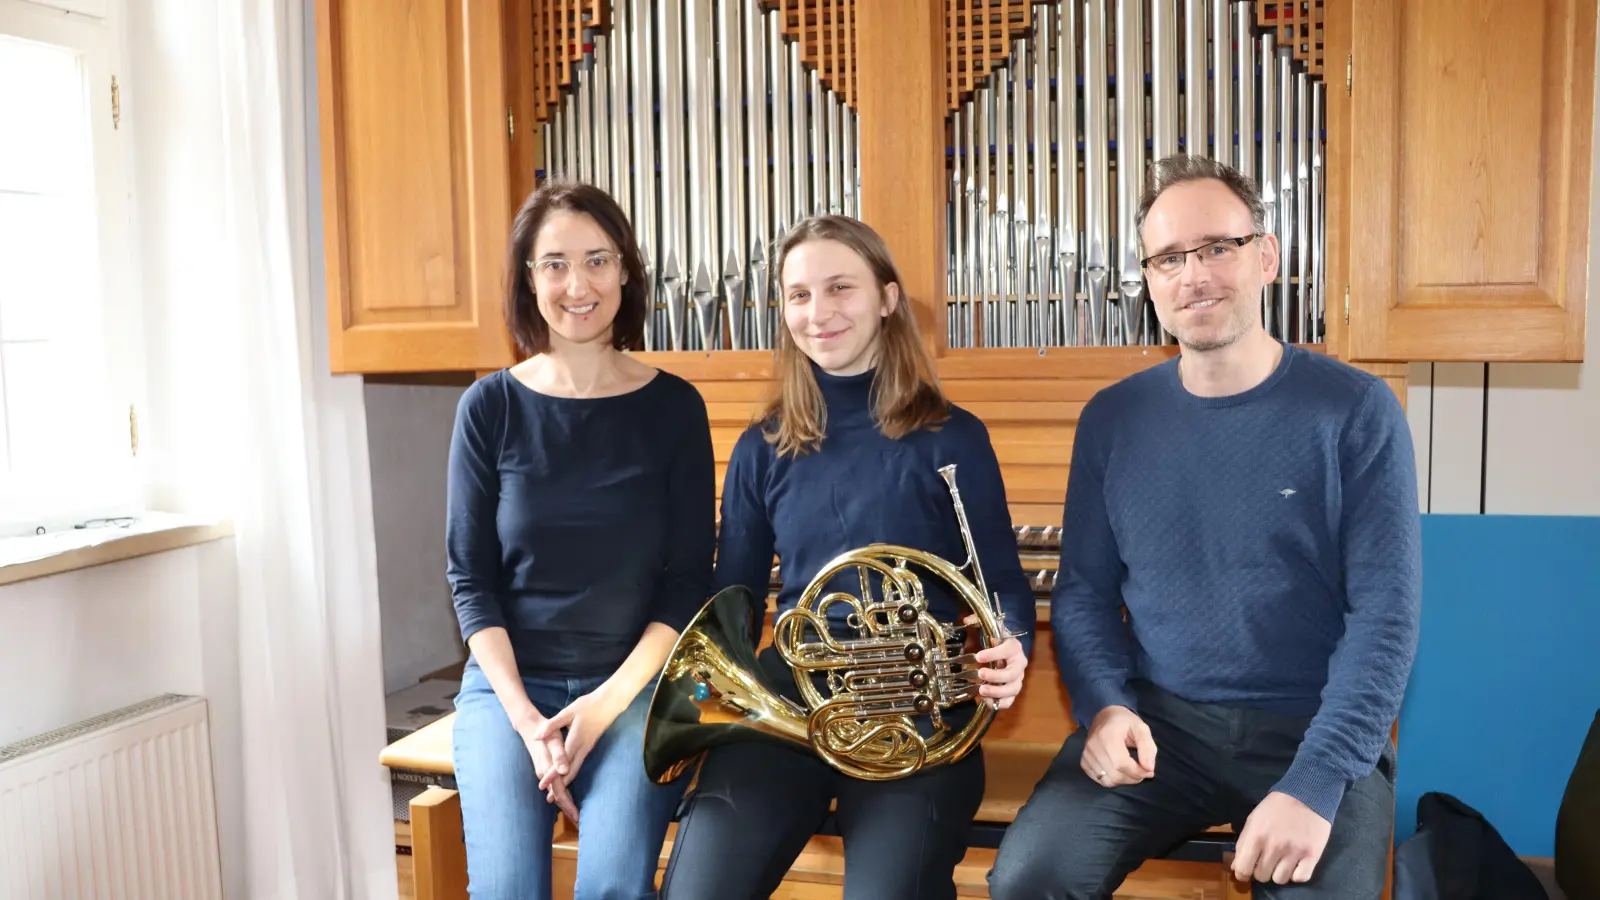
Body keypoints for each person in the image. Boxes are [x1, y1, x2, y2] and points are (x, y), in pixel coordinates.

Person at [987, 155, 1422, 899]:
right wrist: (1104, 708)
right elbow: (1087, 594)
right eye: (1169, 259)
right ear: (1149, 280)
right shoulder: (1112, 420)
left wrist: (1316, 781)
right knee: (1030, 878)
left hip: (1311, 728)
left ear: (1267, 256)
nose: (1195, 275)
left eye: (1218, 248)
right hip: (1163, 731)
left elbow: (1386, 616)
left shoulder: (1356, 410)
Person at [656, 215, 1036, 900]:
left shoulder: (954, 436)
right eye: (798, 295)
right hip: (790, 704)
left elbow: (1001, 583)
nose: (818, 312)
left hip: (923, 715)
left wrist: (1013, 647)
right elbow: (733, 606)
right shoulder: (760, 447)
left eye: (840, 288)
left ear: (886, 298)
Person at [445, 181, 715, 900]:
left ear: (625, 270)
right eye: (555, 263)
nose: (578, 285)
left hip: (638, 689)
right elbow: (471, 582)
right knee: (506, 892)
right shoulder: (489, 408)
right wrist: (530, 724)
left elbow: (689, 581)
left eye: (597, 260)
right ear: (528, 279)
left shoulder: (675, 408)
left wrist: (601, 708)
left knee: (612, 888)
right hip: (511, 690)